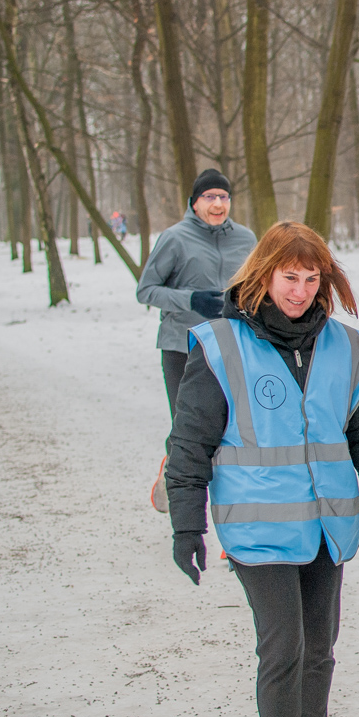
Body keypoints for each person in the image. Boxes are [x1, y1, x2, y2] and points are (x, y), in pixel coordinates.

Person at [165, 221, 359, 717]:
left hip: (325, 527)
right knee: (284, 649)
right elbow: (189, 443)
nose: (300, 291)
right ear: (263, 276)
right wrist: (186, 526)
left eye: (311, 278)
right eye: (289, 277)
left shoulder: (346, 347)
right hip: (257, 529)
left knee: (319, 648)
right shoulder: (220, 345)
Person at [136, 169, 256, 508]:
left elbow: (258, 285)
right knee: (188, 428)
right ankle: (176, 480)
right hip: (182, 346)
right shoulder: (174, 238)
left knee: (233, 427)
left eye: (224, 197)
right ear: (194, 203)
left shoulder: (246, 239)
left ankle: (234, 504)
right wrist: (190, 300)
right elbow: (146, 290)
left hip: (231, 344)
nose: (218, 204)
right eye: (209, 197)